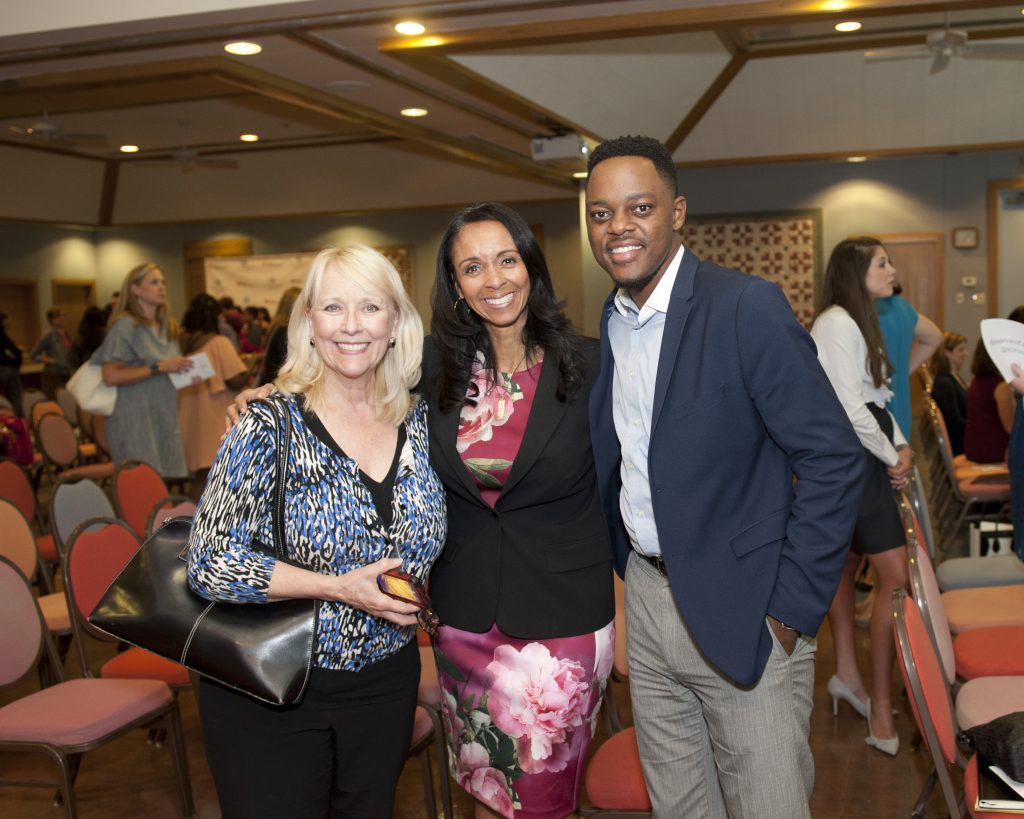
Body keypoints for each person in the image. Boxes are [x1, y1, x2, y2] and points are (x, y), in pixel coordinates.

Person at [583, 135, 864, 819]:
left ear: (677, 212)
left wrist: (791, 610)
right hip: (649, 601)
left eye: (639, 207)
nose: (619, 227)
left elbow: (832, 455)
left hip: (747, 608)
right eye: (600, 213)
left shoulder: (746, 307)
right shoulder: (614, 323)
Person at [187, 245, 447, 818]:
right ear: (307, 322)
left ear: (397, 322)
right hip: (274, 685)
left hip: (387, 680)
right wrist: (336, 587)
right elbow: (208, 562)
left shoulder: (422, 420)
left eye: (370, 307)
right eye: (333, 307)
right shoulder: (265, 423)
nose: (352, 326)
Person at [425, 203, 615, 818]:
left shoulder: (592, 365)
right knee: (487, 791)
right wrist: (268, 393)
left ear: (531, 266)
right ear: (456, 286)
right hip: (464, 622)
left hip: (560, 629)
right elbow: (344, 386)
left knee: (541, 803)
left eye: (507, 260)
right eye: (473, 267)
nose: (495, 280)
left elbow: (626, 481)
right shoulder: (431, 371)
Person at [810, 237, 914, 759]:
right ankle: (876, 703)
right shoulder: (835, 323)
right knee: (895, 581)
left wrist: (898, 442)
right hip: (849, 464)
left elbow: (874, 400)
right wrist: (889, 454)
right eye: (883, 262)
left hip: (864, 457)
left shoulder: (857, 321)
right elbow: (849, 412)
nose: (893, 270)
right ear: (857, 271)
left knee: (847, 567)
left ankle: (849, 677)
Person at [92, 263, 193, 478]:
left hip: (162, 413)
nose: (162, 287)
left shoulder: (167, 325)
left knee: (162, 478)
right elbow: (110, 375)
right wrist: (159, 367)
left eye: (163, 282)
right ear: (135, 289)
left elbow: (165, 369)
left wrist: (183, 372)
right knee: (141, 481)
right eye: (154, 282)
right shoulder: (126, 326)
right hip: (134, 417)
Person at [177, 293, 250, 498]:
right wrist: (249, 369)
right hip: (214, 415)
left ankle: (189, 520)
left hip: (189, 414)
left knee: (201, 476)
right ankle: (201, 525)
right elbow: (236, 379)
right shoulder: (219, 342)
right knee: (213, 476)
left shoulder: (184, 342)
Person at [875, 287, 942, 440]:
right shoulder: (901, 306)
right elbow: (934, 336)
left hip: (876, 423)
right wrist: (900, 373)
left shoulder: (863, 308)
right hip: (899, 420)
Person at [964, 339, 1015, 464]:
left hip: (974, 445)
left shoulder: (976, 381)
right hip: (993, 450)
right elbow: (1011, 428)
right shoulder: (1000, 386)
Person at [929, 331, 969, 455]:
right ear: (947, 353)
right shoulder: (944, 383)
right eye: (960, 350)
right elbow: (954, 423)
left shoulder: (953, 377)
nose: (965, 354)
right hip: (960, 445)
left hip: (964, 437)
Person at [258, 286, 302, 387]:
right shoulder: (285, 330)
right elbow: (290, 363)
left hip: (273, 382)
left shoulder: (278, 326)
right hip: (278, 386)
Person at [31, 307, 74, 398]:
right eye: (61, 316)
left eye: (64, 316)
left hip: (66, 373)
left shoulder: (67, 334)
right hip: (53, 374)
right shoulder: (48, 335)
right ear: (53, 320)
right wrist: (49, 360)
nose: (63, 319)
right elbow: (34, 355)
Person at [0, 313, 24, 417]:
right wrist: (17, 353)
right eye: (7, 319)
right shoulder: (2, 336)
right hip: (7, 369)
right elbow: (11, 351)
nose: (9, 321)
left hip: (5, 368)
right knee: (15, 397)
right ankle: (16, 420)